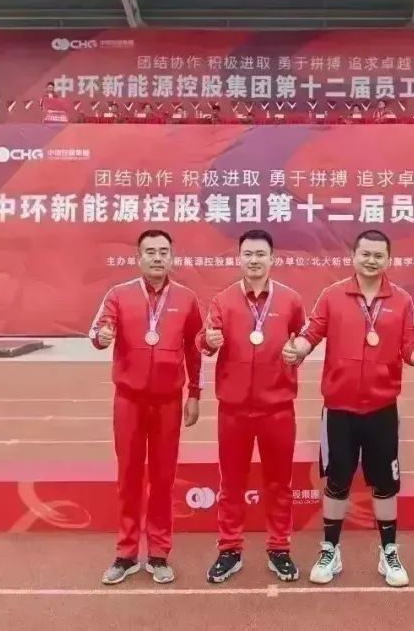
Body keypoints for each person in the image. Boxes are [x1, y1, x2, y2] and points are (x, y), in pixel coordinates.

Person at [283, 229, 414, 587]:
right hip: (339, 409)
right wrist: (298, 349)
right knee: (337, 482)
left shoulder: (400, 300)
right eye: (365, 254)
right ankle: (330, 549)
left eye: (378, 255)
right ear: (353, 256)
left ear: (388, 260)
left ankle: (389, 552)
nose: (371, 260)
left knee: (385, 485)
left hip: (382, 409)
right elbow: (312, 332)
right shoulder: (332, 295)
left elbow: (409, 343)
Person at [89, 229, 204, 585]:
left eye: (163, 251)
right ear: (138, 257)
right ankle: (126, 553)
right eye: (150, 251)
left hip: (168, 402)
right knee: (129, 477)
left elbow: (194, 349)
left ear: (172, 257)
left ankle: (158, 553)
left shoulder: (186, 299)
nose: (157, 257)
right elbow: (98, 332)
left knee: (163, 478)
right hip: (129, 401)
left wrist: (194, 393)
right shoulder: (118, 295)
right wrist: (101, 337)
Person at [197, 229, 306, 584]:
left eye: (261, 254)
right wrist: (208, 341)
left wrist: (296, 353)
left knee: (280, 483)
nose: (254, 260)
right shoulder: (222, 300)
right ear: (239, 258)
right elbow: (205, 341)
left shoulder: (290, 300)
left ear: (272, 258)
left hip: (278, 407)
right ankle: (230, 549)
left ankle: (279, 548)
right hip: (234, 409)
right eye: (248, 254)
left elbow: (302, 340)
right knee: (231, 483)